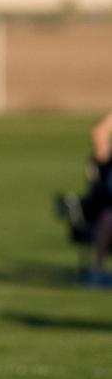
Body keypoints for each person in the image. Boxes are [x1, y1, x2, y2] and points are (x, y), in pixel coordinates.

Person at [86, 110, 112, 285]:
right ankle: (97, 270)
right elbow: (99, 133)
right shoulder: (108, 158)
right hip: (107, 209)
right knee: (109, 218)